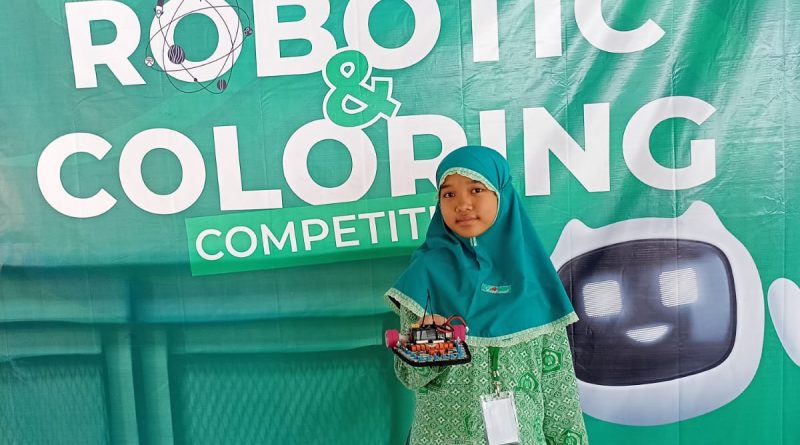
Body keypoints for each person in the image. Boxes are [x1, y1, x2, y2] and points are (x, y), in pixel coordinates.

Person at [385, 145, 588, 445]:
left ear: (501, 195)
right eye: (448, 194)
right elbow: (410, 377)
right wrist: (432, 344)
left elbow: (559, 392)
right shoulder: (425, 276)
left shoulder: (534, 279)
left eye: (476, 190)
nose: (462, 204)